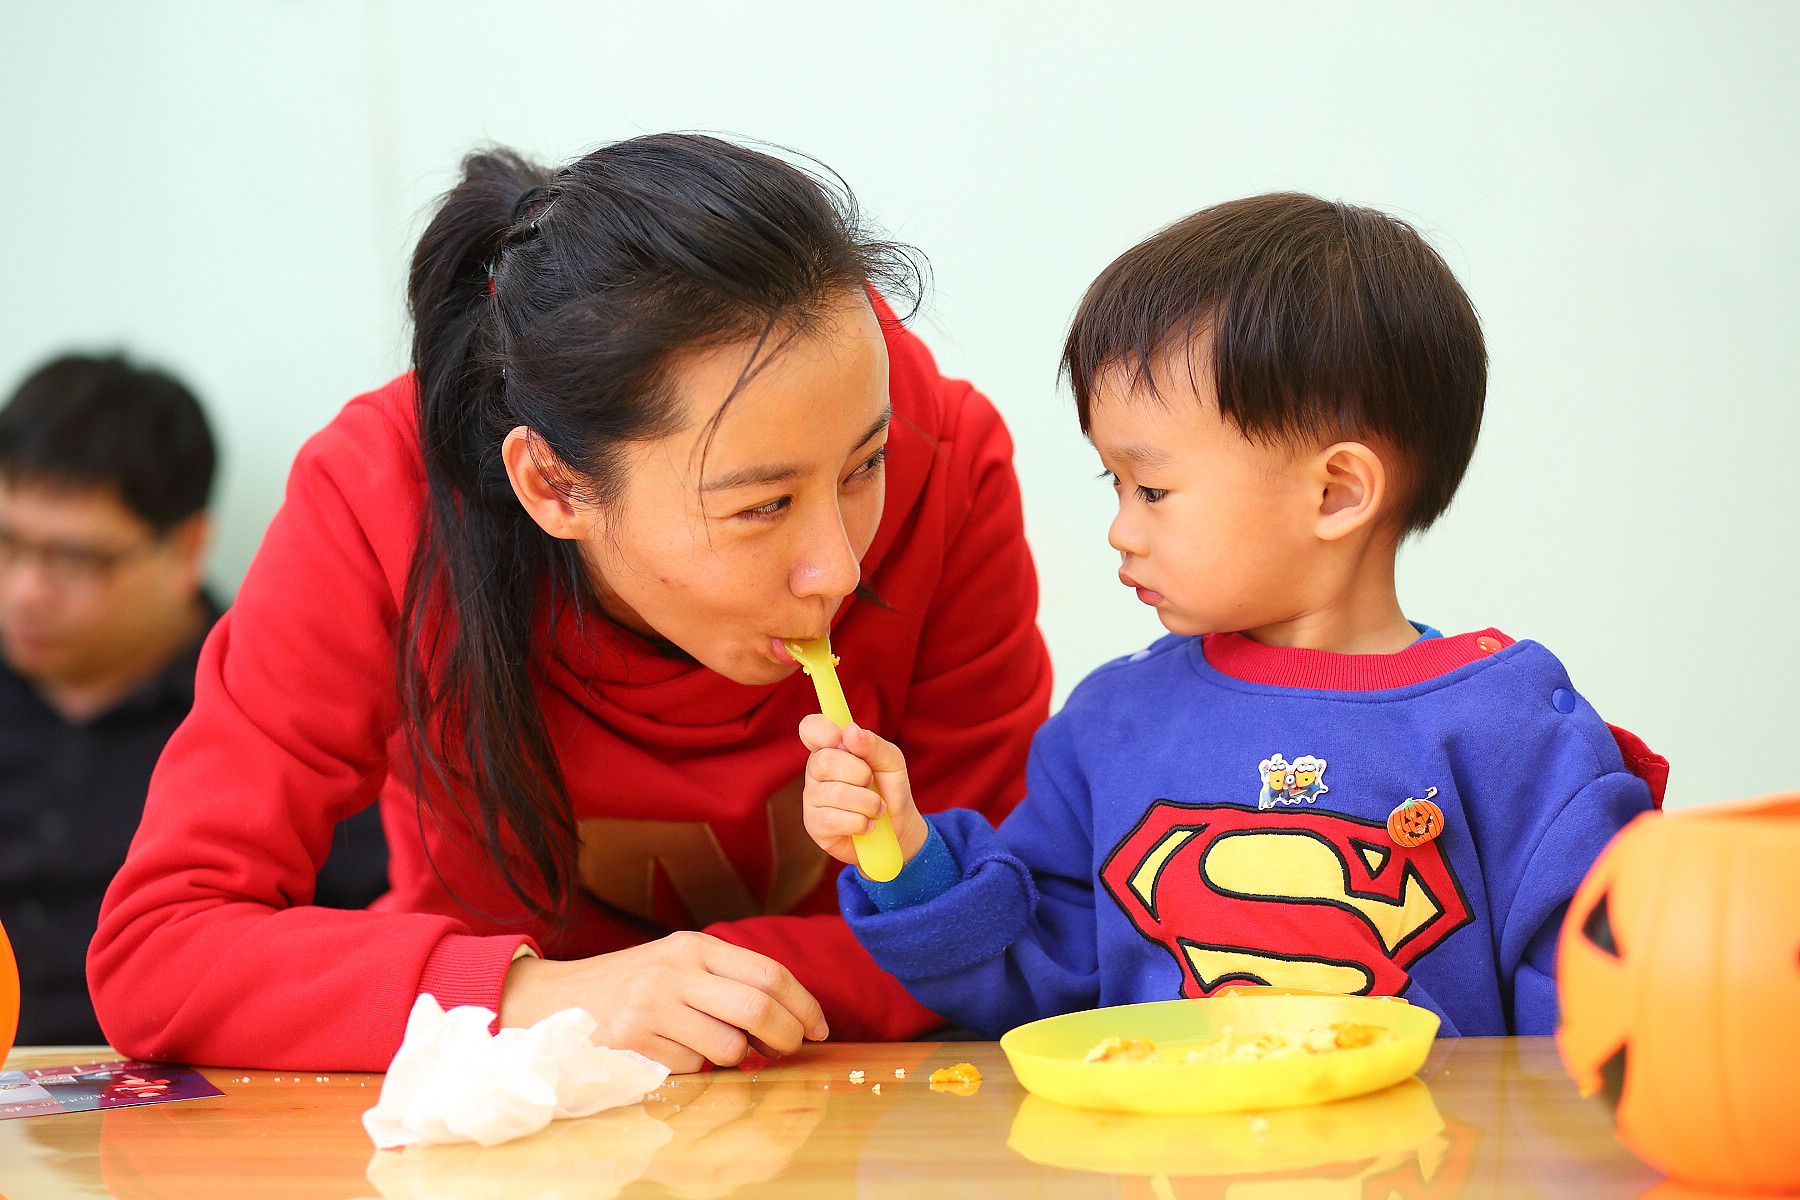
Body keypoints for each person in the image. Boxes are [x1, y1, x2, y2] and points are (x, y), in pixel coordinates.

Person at [87, 135, 1052, 1072]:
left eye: (863, 465)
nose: (837, 569)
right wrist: (541, 1000)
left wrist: (695, 995)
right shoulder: (381, 496)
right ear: (552, 487)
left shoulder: (947, 456)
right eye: (761, 506)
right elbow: (161, 953)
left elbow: (1014, 917)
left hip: (854, 1108)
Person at [800, 193, 1668, 1038]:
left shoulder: (1517, 737)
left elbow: (1596, 1036)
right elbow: (1033, 986)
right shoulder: (1110, 728)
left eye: (1152, 489)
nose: (1120, 529)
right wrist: (911, 862)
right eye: (1114, 484)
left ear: (1335, 492)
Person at [0, 355, 388, 1047]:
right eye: (7, 544)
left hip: (202, 1114)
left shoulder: (287, 708)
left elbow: (374, 943)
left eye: (75, 559)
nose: (26, 588)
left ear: (187, 548)